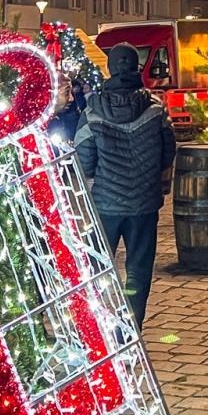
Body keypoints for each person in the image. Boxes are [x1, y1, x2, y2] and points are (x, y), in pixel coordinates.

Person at [73, 44, 175, 327]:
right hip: (143, 204)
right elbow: (168, 152)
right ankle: (132, 326)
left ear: (110, 68)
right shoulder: (155, 110)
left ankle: (102, 326)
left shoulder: (93, 111)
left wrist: (99, 181)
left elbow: (83, 158)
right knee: (138, 269)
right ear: (135, 68)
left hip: (106, 204)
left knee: (98, 265)